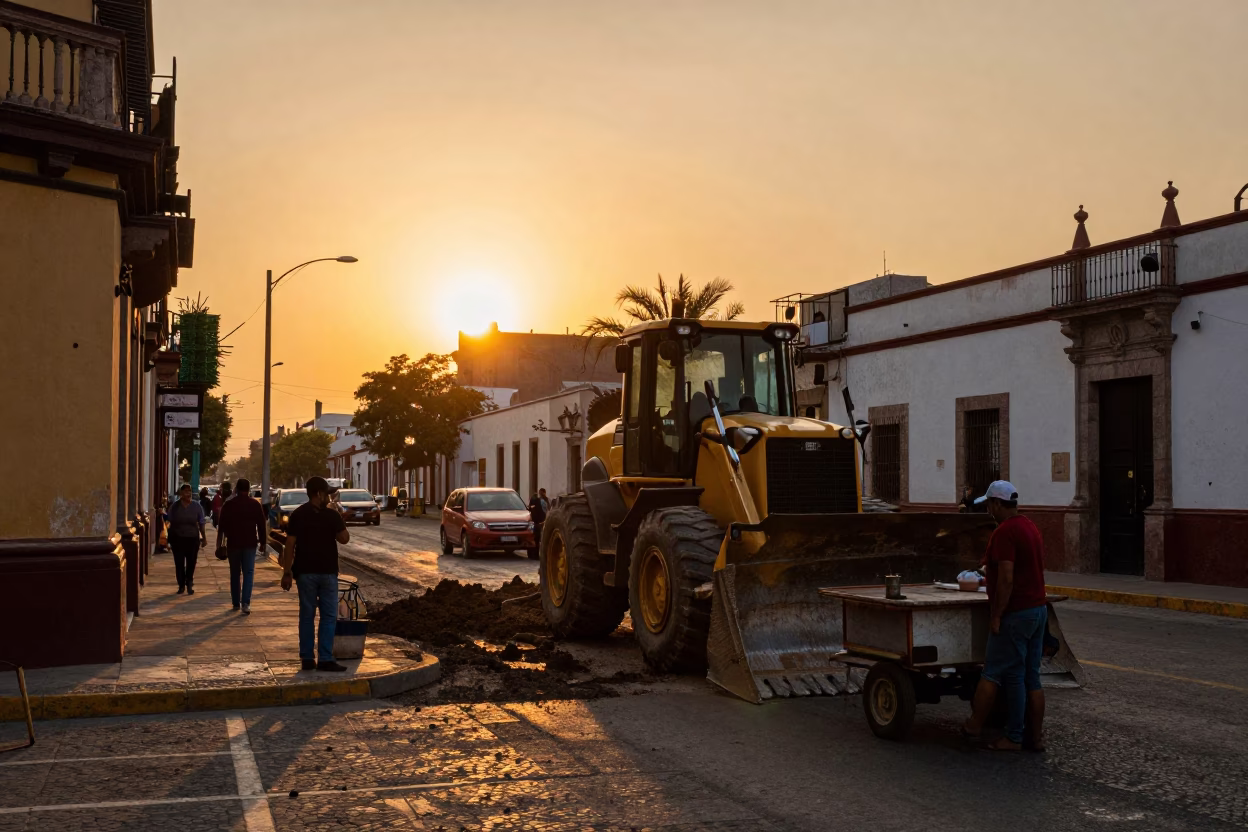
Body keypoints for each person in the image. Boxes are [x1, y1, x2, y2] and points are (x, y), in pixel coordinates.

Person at [962, 481, 1048, 752]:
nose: (989, 510)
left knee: (993, 673)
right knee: (1028, 677)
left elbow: (1007, 579)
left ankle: (976, 727)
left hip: (1016, 613)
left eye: (989, 505)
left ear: (998, 504)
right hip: (1038, 610)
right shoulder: (1029, 526)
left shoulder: (1004, 533)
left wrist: (997, 615)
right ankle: (1031, 737)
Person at [279, 476, 350, 672]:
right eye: (327, 493)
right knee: (328, 616)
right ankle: (325, 658)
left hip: (304, 573)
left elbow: (290, 545)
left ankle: (307, 658)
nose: (329, 497)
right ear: (319, 494)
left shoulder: (298, 515)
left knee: (307, 615)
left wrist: (287, 573)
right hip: (327, 573)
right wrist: (337, 517)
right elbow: (344, 539)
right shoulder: (331, 515)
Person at [216, 477, 267, 614]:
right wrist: (263, 542)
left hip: (233, 543)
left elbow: (221, 526)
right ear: (249, 489)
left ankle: (235, 602)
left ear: (236, 489)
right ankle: (245, 603)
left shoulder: (229, 504)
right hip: (250, 543)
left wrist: (219, 543)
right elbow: (261, 525)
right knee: (248, 573)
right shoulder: (255, 504)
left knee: (235, 573)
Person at [167, 484, 208, 594]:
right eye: (185, 491)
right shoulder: (175, 507)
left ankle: (189, 582)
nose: (188, 493)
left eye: (189, 491)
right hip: (178, 539)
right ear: (181, 493)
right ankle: (181, 585)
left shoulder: (196, 506)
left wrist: (204, 538)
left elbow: (201, 522)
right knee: (179, 563)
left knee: (191, 562)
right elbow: (169, 521)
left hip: (192, 539)